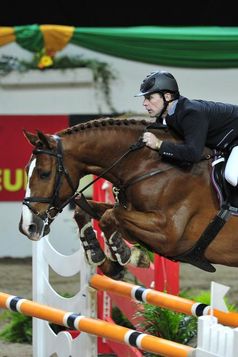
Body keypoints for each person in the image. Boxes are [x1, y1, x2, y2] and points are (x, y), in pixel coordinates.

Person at [135, 70, 238, 193]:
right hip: (228, 140)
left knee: (231, 176)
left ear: (167, 97)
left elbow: (193, 154)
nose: (144, 103)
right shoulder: (166, 116)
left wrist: (159, 144)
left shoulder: (191, 113)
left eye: (149, 97)